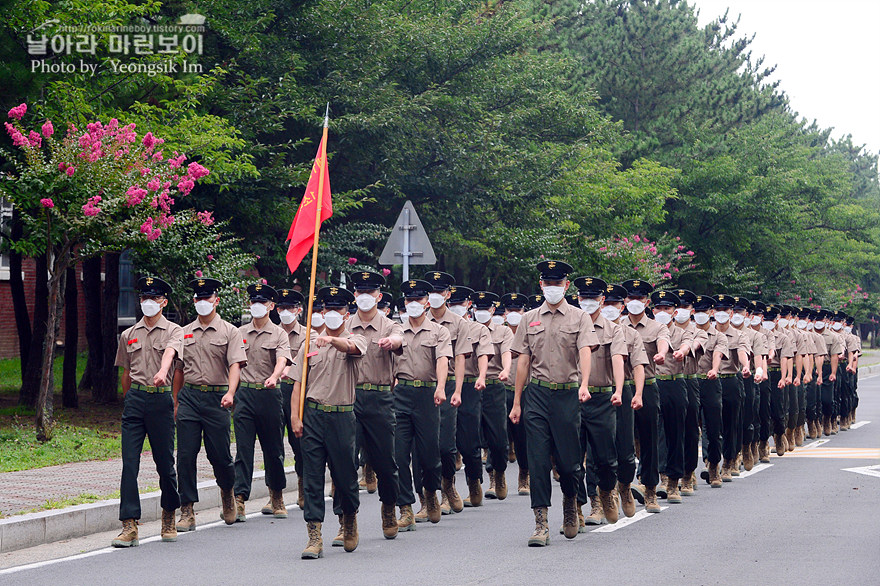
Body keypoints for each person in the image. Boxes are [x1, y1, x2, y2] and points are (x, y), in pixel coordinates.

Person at [509, 260, 598, 546]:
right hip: (536, 394)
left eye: (557, 284)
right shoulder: (529, 319)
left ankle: (571, 504)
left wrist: (584, 384)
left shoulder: (579, 317)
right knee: (537, 460)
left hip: (567, 395)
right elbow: (523, 361)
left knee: (570, 462)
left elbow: (585, 351)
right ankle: (541, 522)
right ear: (541, 285)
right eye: (547, 283)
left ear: (566, 286)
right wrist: (517, 402)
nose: (552, 288)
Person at [290, 286, 367, 559]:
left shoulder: (356, 339)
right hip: (313, 415)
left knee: (345, 476)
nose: (333, 314)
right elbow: (298, 383)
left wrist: (332, 341)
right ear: (321, 312)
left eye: (339, 310)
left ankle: (349, 518)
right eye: (328, 309)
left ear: (348, 314)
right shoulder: (308, 345)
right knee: (311, 476)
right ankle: (314, 535)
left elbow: (353, 348)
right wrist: (295, 416)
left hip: (342, 416)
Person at [112, 276, 183, 548]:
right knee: (129, 463)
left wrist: (163, 372)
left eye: (154, 298)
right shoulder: (128, 335)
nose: (148, 303)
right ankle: (129, 524)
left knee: (165, 463)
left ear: (163, 302)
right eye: (144, 298)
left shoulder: (174, 330)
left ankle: (169, 514)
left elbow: (170, 354)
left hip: (160, 401)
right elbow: (126, 372)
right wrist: (129, 398)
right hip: (135, 402)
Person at [173, 277, 247, 531]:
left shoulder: (229, 331)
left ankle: (227, 492)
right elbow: (179, 370)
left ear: (216, 300)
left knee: (220, 456)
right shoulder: (183, 333)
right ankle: (187, 509)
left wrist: (230, 392)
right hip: (190, 398)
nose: (202, 302)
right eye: (198, 298)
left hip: (218, 399)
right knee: (185, 455)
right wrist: (175, 400)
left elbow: (235, 365)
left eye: (207, 298)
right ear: (194, 301)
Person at [346, 271, 406, 540]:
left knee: (385, 462)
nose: (365, 297)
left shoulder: (390, 325)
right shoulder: (345, 325)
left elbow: (399, 340)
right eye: (360, 292)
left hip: (380, 398)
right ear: (355, 295)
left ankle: (389, 507)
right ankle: (346, 520)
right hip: (350, 398)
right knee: (345, 461)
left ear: (379, 296)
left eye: (371, 293)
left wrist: (390, 343)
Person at [393, 279, 453, 531]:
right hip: (400, 395)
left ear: (427, 303)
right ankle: (405, 507)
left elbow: (442, 360)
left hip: (428, 395)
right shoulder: (396, 331)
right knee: (397, 455)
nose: (413, 304)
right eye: (408, 300)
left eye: (417, 300)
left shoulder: (439, 331)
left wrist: (440, 387)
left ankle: (431, 493)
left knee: (429, 455)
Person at [231, 284, 291, 523]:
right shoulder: (239, 332)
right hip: (244, 395)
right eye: (254, 301)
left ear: (271, 306)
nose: (257, 306)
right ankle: (240, 499)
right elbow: (233, 363)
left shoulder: (279, 333)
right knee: (243, 450)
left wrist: (275, 377)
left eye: (262, 302)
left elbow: (282, 359)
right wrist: (231, 392)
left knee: (274, 450)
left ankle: (276, 495)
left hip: (269, 395)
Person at [573, 277, 626, 527]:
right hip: (572, 397)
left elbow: (617, 358)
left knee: (604, 458)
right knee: (572, 458)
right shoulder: (570, 325)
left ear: (602, 301)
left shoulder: (613, 329)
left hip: (602, 397)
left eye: (593, 298)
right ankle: (579, 506)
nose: (587, 302)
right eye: (583, 298)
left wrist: (618, 389)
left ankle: (605, 492)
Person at [423, 271, 470, 514]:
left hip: (449, 384)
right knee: (423, 444)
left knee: (446, 443)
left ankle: (448, 484)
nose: (434, 296)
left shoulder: (458, 323)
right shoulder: (418, 319)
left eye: (439, 292)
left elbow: (460, 358)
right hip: (424, 386)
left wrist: (458, 390)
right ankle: (427, 495)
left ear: (447, 294)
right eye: (430, 291)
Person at [621, 279, 669, 514]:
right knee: (624, 439)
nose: (635, 303)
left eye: (640, 299)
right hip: (621, 387)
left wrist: (661, 354)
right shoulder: (617, 325)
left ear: (647, 302)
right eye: (631, 298)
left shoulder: (657, 327)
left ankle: (650, 490)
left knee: (650, 438)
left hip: (648, 386)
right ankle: (626, 486)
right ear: (624, 301)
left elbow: (663, 344)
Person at [447, 286, 492, 507]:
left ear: (468, 305)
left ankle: (474, 481)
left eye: (460, 303)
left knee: (469, 440)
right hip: (443, 384)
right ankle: (448, 488)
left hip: (468, 385)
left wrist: (482, 376)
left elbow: (483, 354)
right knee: (443, 441)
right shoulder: (437, 326)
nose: (455, 307)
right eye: (451, 302)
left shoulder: (477, 329)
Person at [264, 288, 308, 513]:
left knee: (299, 443)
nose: (285, 312)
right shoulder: (271, 333)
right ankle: (275, 494)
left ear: (298, 310)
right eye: (281, 308)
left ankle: (303, 485)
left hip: (295, 392)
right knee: (272, 446)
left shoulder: (307, 335)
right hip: (272, 393)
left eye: (290, 308)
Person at [651, 290, 693, 503]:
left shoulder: (683, 331)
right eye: (658, 308)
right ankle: (656, 476)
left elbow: (687, 345)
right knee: (653, 432)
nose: (662, 312)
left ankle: (674, 481)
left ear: (674, 312)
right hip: (652, 384)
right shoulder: (649, 330)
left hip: (675, 383)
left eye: (666, 308)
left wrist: (681, 352)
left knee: (675, 432)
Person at [471, 291, 514, 502]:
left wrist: (506, 369)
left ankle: (499, 472)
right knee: (471, 438)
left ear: (492, 310)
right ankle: (478, 481)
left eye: (485, 309)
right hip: (471, 386)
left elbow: (506, 352)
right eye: (477, 309)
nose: (481, 312)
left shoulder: (503, 332)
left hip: (494, 386)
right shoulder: (466, 330)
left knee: (498, 439)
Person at [712, 295, 751, 481]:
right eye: (718, 310)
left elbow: (742, 351)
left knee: (730, 424)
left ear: (731, 313)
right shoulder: (706, 333)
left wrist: (746, 366)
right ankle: (711, 461)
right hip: (710, 381)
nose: (721, 314)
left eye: (725, 310)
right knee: (710, 424)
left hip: (730, 381)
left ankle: (728, 461)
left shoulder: (739, 334)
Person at [691, 295, 727, 487]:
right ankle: (687, 472)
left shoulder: (719, 336)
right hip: (690, 383)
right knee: (689, 429)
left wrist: (714, 369)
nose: (700, 315)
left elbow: (718, 354)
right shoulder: (688, 333)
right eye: (696, 312)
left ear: (710, 313)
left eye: (703, 312)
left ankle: (713, 465)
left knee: (713, 429)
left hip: (710, 383)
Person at [731, 297, 767, 470]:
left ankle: (747, 446)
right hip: (729, 378)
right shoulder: (721, 332)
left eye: (740, 312)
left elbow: (759, 359)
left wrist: (759, 371)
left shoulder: (755, 335)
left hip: (747, 379)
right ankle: (734, 453)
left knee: (748, 417)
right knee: (730, 419)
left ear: (747, 314)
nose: (737, 315)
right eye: (734, 311)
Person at [501, 293, 530, 495]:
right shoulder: (499, 333)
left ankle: (524, 473)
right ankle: (496, 476)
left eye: (517, 310)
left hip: (526, 391)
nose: (513, 314)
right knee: (497, 435)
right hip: (501, 390)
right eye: (510, 310)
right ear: (504, 313)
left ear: (523, 312)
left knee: (522, 436)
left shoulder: (529, 332)